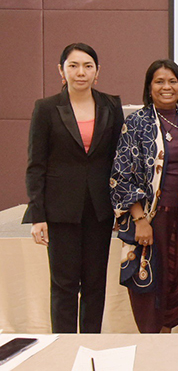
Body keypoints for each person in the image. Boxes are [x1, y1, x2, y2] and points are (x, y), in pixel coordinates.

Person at [24, 43, 124, 333]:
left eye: (88, 66)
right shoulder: (45, 108)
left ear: (97, 72)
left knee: (95, 283)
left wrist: (121, 208)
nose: (81, 72)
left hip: (100, 209)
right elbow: (36, 165)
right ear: (61, 70)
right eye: (73, 66)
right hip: (60, 209)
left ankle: (91, 344)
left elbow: (120, 159)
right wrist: (37, 215)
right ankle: (63, 347)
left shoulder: (111, 105)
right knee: (64, 284)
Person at [110, 59, 178, 333]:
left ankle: (166, 336)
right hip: (152, 218)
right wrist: (140, 220)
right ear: (149, 87)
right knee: (148, 281)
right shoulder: (137, 122)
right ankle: (151, 342)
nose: (167, 87)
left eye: (173, 81)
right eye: (159, 81)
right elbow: (121, 175)